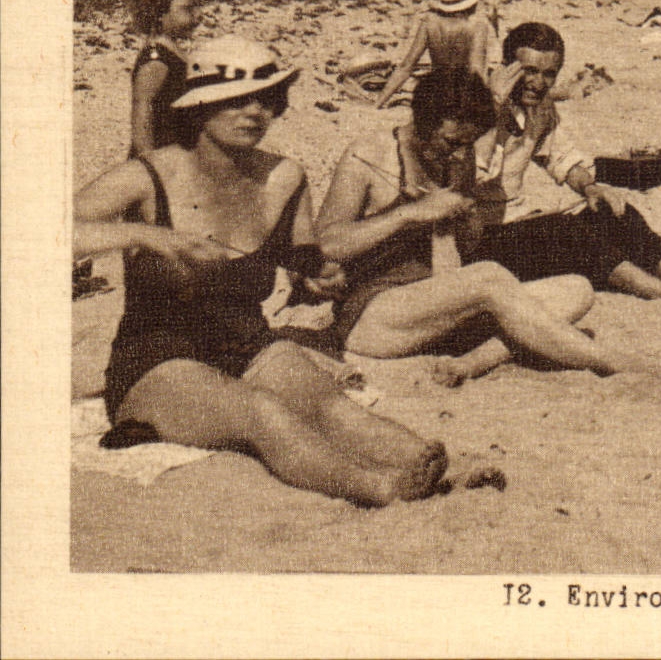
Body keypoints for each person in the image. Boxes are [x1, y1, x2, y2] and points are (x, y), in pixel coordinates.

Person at [74, 36, 463, 506]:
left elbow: (304, 259)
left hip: (245, 342)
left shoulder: (283, 178)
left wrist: (317, 276)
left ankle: (440, 469)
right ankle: (381, 489)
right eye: (238, 100)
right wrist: (146, 236)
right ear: (200, 107)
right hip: (156, 359)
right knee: (262, 411)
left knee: (327, 405)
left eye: (267, 100)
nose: (256, 112)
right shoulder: (150, 176)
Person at [317, 68, 661, 387]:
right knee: (489, 277)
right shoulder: (367, 156)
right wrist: (407, 214)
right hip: (372, 317)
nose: (459, 154)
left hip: (435, 309)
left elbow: (455, 257)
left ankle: (471, 363)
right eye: (451, 142)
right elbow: (324, 246)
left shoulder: (459, 157)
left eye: (467, 145)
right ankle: (611, 362)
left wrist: (459, 222)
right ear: (422, 121)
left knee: (576, 290)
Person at [468, 22, 661, 313]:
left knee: (610, 209)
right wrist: (492, 107)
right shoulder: (473, 108)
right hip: (475, 238)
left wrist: (590, 187)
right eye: (529, 71)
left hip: (516, 222)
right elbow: (472, 176)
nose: (538, 83)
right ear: (506, 67)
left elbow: (560, 157)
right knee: (565, 231)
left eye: (549, 74)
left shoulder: (538, 108)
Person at [375, 0, 496, 108]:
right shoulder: (477, 26)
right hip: (461, 97)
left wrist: (379, 102)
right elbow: (476, 70)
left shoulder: (429, 21)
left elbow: (406, 66)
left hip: (436, 93)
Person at [128, 0, 209, 157]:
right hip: (160, 157)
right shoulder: (156, 59)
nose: (199, 15)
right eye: (189, 8)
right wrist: (149, 161)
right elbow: (142, 111)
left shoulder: (172, 52)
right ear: (158, 11)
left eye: (200, 7)